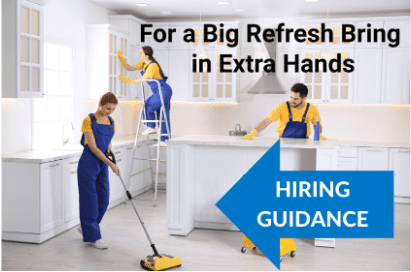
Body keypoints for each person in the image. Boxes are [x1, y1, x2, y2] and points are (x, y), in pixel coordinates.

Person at [77, 92, 120, 249]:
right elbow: (93, 147)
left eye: (113, 109)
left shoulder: (111, 121)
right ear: (100, 104)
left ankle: (86, 228)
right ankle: (93, 237)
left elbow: (107, 142)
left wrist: (110, 150)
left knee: (104, 199)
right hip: (88, 164)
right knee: (90, 202)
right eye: (108, 108)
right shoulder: (88, 120)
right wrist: (111, 164)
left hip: (102, 164)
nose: (109, 112)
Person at [121, 46, 172, 147]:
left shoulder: (153, 66)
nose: (139, 54)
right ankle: (164, 140)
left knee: (147, 106)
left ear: (146, 55)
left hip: (163, 90)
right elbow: (130, 68)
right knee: (163, 114)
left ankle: (151, 128)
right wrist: (122, 60)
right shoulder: (143, 64)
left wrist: (127, 80)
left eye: (141, 53)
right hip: (160, 91)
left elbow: (142, 79)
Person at [241, 83, 326, 139]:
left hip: (304, 143)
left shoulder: (312, 109)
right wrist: (253, 133)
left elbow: (317, 125)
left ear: (304, 98)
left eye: (295, 99)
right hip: (283, 142)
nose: (292, 100)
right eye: (291, 97)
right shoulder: (282, 107)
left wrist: (320, 135)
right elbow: (267, 121)